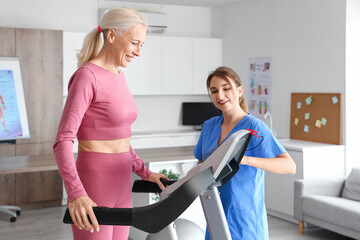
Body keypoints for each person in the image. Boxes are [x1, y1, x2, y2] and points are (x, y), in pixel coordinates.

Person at [53, 7, 168, 240]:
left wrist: (145, 172)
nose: (138, 52)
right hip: (96, 180)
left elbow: (120, 137)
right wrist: (76, 194)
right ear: (112, 36)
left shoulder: (119, 75)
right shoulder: (87, 76)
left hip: (122, 180)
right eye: (135, 43)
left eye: (141, 45)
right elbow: (63, 142)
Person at [194, 66, 296, 240]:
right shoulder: (209, 126)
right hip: (215, 209)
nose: (220, 95)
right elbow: (200, 164)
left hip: (245, 216)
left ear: (239, 91)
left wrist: (246, 159)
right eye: (214, 91)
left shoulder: (255, 128)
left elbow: (289, 166)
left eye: (226, 89)